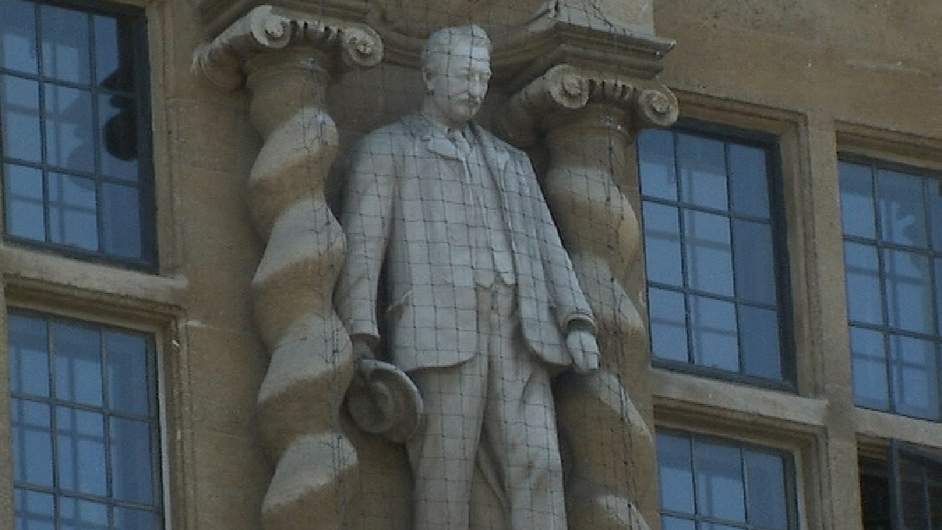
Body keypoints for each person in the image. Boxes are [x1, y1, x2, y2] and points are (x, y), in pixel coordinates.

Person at [335, 24, 600, 530]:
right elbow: (363, 249)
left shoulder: (511, 161)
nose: (476, 88)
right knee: (446, 472)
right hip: (440, 333)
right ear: (430, 77)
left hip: (521, 333)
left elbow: (548, 246)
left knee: (541, 461)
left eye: (482, 77)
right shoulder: (388, 149)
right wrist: (360, 339)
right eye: (464, 75)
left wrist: (577, 319)